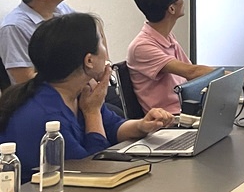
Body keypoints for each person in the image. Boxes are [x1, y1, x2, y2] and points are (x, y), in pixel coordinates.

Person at [0, 13, 173, 178]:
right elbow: (91, 170)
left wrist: (142, 126)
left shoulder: (78, 92)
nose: (106, 51)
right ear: (89, 60)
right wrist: (92, 113)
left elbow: (113, 127)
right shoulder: (46, 116)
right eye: (101, 43)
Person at [0, 0, 75, 85]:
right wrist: (76, 78)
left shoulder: (61, 8)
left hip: (74, 84)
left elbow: (91, 32)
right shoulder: (14, 27)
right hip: (43, 91)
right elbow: (24, 79)